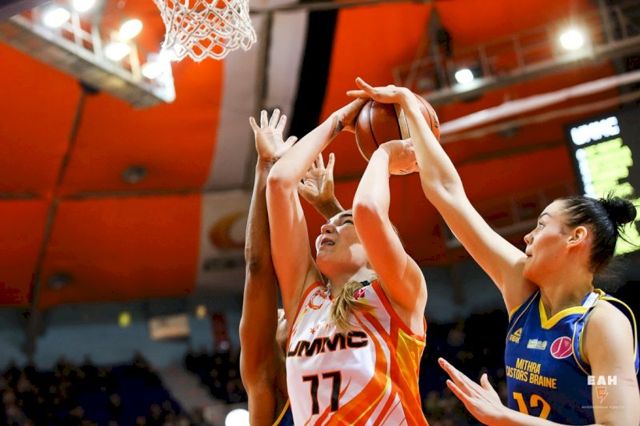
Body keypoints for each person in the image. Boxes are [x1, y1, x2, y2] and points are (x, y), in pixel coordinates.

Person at [348, 77, 640, 425]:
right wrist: (408, 104)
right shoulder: (524, 293)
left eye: (542, 225)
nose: (528, 237)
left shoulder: (604, 323)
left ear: (575, 237)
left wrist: (505, 418)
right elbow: (447, 194)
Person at [266, 99, 429, 425]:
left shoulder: (398, 295)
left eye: (344, 223)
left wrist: (384, 153)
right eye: (330, 223)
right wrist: (340, 119)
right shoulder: (307, 302)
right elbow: (280, 183)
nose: (325, 227)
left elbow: (367, 212)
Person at [239, 109, 344, 425]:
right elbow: (257, 265)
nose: (281, 312)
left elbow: (365, 268)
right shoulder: (270, 380)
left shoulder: (355, 329)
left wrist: (331, 208)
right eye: (281, 315)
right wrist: (264, 166)